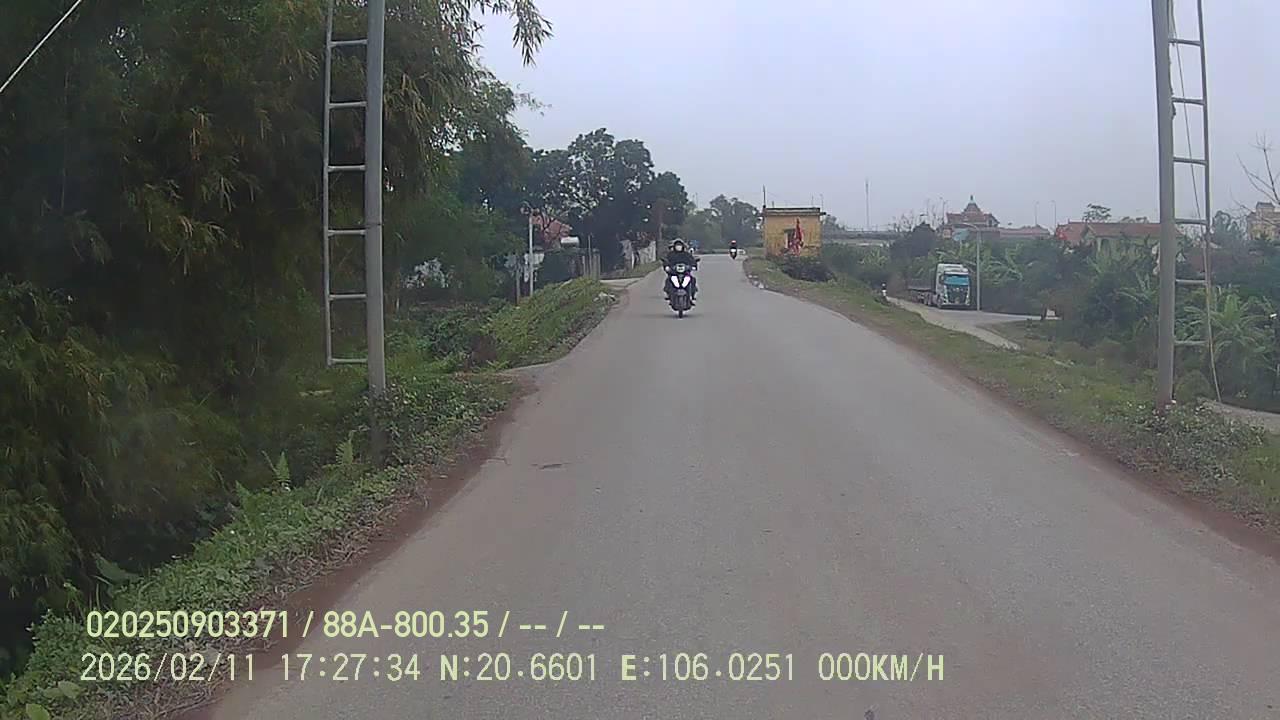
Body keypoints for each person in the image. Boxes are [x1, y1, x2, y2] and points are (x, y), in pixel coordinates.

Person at [662, 239, 699, 303]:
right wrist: (666, 266)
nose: (678, 247)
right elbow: (666, 261)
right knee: (668, 280)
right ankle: (669, 294)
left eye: (680, 246)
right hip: (674, 272)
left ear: (682, 246)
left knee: (692, 279)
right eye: (677, 246)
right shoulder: (671, 254)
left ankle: (692, 295)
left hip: (685, 272)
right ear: (674, 246)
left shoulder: (686, 254)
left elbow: (692, 260)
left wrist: (693, 266)